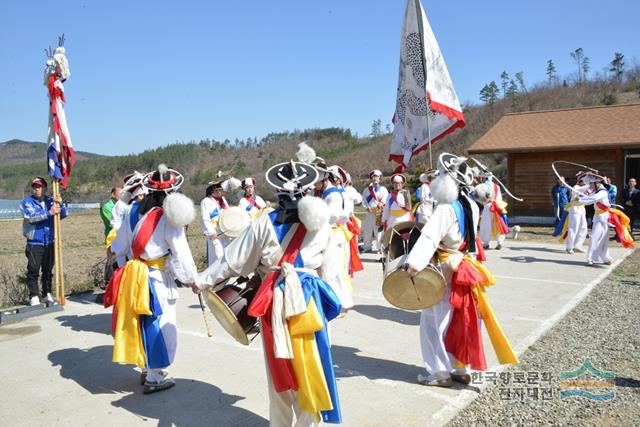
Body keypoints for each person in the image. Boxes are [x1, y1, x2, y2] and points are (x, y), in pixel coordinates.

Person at [192, 159, 343, 426]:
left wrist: (203, 280)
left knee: (279, 372)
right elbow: (330, 274)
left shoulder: (264, 222)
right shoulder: (324, 225)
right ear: (308, 190)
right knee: (312, 367)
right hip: (311, 302)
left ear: (278, 192)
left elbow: (234, 260)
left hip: (274, 300)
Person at [404, 153, 518, 386]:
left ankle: (440, 372)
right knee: (460, 319)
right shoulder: (470, 204)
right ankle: (460, 368)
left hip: (444, 267)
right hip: (463, 263)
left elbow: (429, 237)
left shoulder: (446, 208)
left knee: (434, 320)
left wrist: (413, 263)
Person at [107, 164, 198, 394]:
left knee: (142, 322)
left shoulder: (132, 210)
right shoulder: (168, 217)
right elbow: (181, 253)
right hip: (157, 277)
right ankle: (155, 376)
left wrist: (120, 263)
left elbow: (120, 245)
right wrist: (192, 279)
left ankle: (146, 369)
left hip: (135, 274)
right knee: (161, 324)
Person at [20, 177, 68, 306]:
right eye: (35, 187)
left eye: (39, 187)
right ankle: (34, 295)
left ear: (45, 188)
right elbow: (31, 217)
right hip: (34, 242)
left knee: (47, 270)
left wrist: (60, 204)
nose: (37, 189)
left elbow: (63, 215)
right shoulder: (27, 202)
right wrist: (49, 213)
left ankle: (47, 293)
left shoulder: (51, 201)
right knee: (33, 269)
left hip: (50, 241)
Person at [579, 172, 634, 265]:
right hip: (599, 217)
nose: (590, 186)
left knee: (596, 237)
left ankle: (594, 258)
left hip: (602, 217)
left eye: (592, 184)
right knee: (601, 238)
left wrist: (580, 200)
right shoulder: (596, 190)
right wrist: (581, 196)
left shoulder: (602, 192)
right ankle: (603, 258)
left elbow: (592, 199)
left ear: (597, 183)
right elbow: (588, 196)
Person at [199, 180, 230, 266]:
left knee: (226, 255)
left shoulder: (223, 200)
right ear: (213, 190)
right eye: (219, 190)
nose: (221, 192)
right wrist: (211, 232)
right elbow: (204, 218)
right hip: (215, 233)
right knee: (217, 256)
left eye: (221, 190)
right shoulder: (206, 201)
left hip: (224, 232)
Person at [556, 177, 589, 254]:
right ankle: (569, 247)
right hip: (575, 209)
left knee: (583, 228)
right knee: (573, 228)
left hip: (582, 209)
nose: (585, 183)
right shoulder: (576, 187)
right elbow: (582, 189)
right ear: (580, 181)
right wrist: (590, 184)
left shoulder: (586, 189)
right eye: (584, 181)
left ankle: (577, 246)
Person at [360, 170, 388, 254]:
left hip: (379, 212)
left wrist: (381, 202)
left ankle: (379, 248)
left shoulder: (383, 189)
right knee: (367, 230)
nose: (375, 178)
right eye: (374, 177)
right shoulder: (366, 190)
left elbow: (385, 198)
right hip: (369, 212)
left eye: (377, 177)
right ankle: (367, 247)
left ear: (380, 178)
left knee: (378, 231)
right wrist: (366, 207)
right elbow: (363, 200)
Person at [478, 174, 509, 250]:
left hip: (487, 206)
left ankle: (486, 243)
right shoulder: (497, 186)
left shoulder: (483, 186)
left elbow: (480, 197)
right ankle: (500, 242)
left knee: (486, 225)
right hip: (496, 206)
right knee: (498, 224)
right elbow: (499, 198)